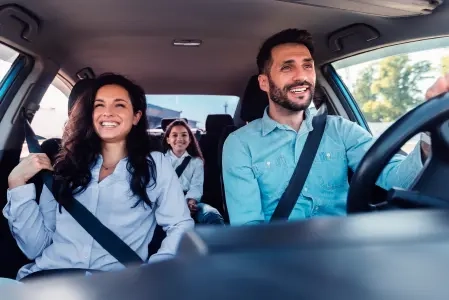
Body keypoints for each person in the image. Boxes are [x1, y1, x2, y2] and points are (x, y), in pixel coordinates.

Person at [222, 28, 445, 225]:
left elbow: (400, 180)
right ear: (264, 82)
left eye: (307, 66)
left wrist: (430, 134)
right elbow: (248, 228)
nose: (302, 77)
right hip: (281, 257)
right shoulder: (240, 144)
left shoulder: (342, 130)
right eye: (287, 68)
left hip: (343, 250)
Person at [3, 73, 194, 281]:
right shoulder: (65, 166)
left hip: (114, 286)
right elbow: (35, 248)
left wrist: (151, 276)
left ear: (136, 116)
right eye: (99, 105)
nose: (107, 113)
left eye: (119, 105)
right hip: (48, 278)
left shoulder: (155, 165)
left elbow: (180, 225)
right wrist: (17, 185)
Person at [163, 119, 225, 225]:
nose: (179, 139)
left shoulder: (196, 161)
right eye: (174, 135)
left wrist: (190, 201)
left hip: (190, 201)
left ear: (190, 139)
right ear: (168, 140)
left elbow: (197, 185)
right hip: (167, 203)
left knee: (212, 215)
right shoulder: (160, 161)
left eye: (184, 135)